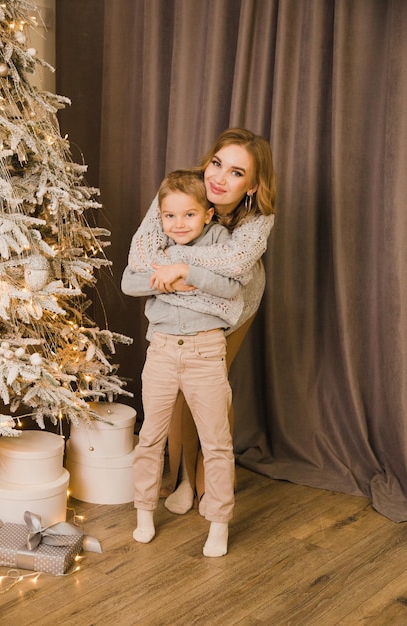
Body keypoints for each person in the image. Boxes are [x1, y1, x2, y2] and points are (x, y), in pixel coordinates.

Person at [124, 127, 276, 518]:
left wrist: (180, 265)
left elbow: (236, 267)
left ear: (253, 185)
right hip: (177, 305)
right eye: (216, 163)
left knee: (209, 393)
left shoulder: (259, 217)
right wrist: (182, 276)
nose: (219, 178)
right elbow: (140, 258)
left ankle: (211, 480)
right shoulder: (180, 190)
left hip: (233, 308)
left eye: (236, 173)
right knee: (172, 394)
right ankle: (183, 479)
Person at [122, 169, 244, 557]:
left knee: (217, 443)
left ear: (208, 214)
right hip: (160, 350)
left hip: (205, 352)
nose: (178, 224)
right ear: (160, 217)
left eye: (189, 215)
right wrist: (175, 282)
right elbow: (129, 282)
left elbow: (230, 287)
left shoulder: (221, 243)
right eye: (169, 216)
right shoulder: (157, 245)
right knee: (149, 438)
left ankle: (219, 522)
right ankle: (144, 512)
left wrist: (188, 271)